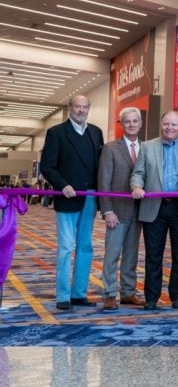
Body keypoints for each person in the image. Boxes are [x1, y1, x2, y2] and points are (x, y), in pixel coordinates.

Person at [130, 110, 178, 310]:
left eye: (173, 124)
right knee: (153, 255)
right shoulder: (147, 146)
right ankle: (151, 297)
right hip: (154, 207)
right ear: (161, 125)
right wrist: (136, 186)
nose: (169, 128)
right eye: (166, 124)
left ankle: (177, 296)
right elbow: (138, 173)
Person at [40, 95, 104, 311]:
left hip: (90, 197)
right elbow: (47, 167)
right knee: (66, 247)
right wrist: (63, 185)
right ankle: (63, 295)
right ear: (70, 108)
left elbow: (99, 166)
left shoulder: (96, 132)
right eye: (77, 106)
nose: (81, 110)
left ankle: (79, 294)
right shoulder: (56, 133)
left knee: (86, 247)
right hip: (67, 197)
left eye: (85, 107)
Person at [97, 106, 145, 310]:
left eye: (135, 121)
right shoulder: (110, 148)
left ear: (140, 123)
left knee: (131, 256)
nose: (131, 124)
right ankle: (109, 293)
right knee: (112, 255)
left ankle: (128, 292)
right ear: (122, 124)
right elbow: (103, 181)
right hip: (116, 212)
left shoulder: (147, 148)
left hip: (140, 211)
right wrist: (107, 210)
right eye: (127, 121)